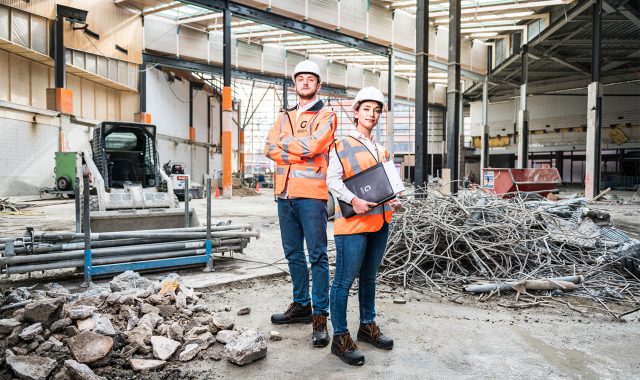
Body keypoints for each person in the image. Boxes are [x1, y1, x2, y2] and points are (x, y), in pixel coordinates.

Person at [264, 60, 338, 348]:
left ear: (318, 85)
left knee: (317, 256)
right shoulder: (284, 116)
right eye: (300, 78)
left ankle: (320, 317)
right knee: (293, 254)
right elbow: (269, 147)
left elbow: (315, 146)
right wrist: (297, 149)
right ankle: (301, 306)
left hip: (312, 195)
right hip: (284, 195)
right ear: (295, 84)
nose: (305, 82)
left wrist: (288, 145)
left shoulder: (327, 115)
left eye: (311, 79)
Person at [326, 86, 401, 366]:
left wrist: (393, 201)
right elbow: (332, 181)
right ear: (356, 112)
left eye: (377, 110)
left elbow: (387, 185)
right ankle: (341, 338)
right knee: (344, 281)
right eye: (366, 109)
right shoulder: (341, 144)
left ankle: (367, 326)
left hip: (380, 220)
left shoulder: (382, 150)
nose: (372, 114)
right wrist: (353, 200)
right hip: (354, 222)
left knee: (369, 277)